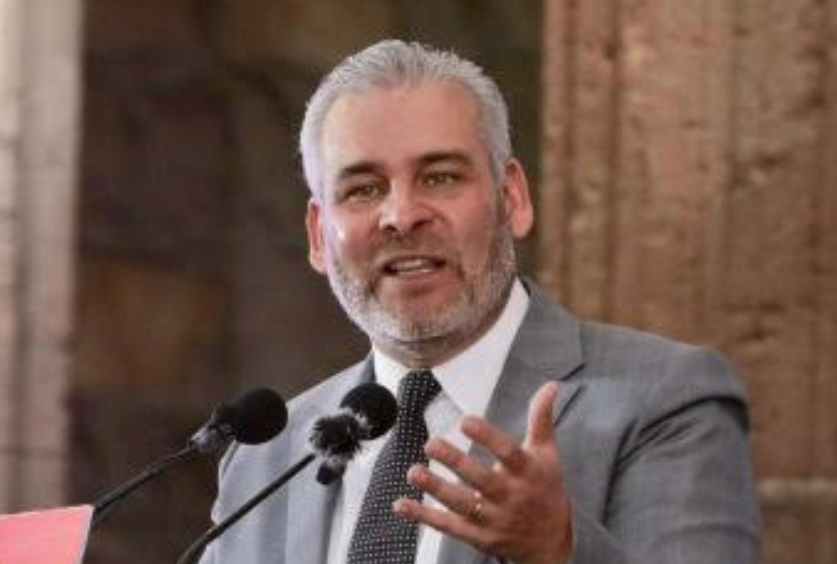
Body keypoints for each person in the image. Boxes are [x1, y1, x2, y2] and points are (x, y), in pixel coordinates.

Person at [200, 40, 760, 564]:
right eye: (364, 189)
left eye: (440, 177)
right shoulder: (265, 457)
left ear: (512, 198)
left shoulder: (666, 399)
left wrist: (559, 549)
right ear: (319, 236)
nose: (402, 216)